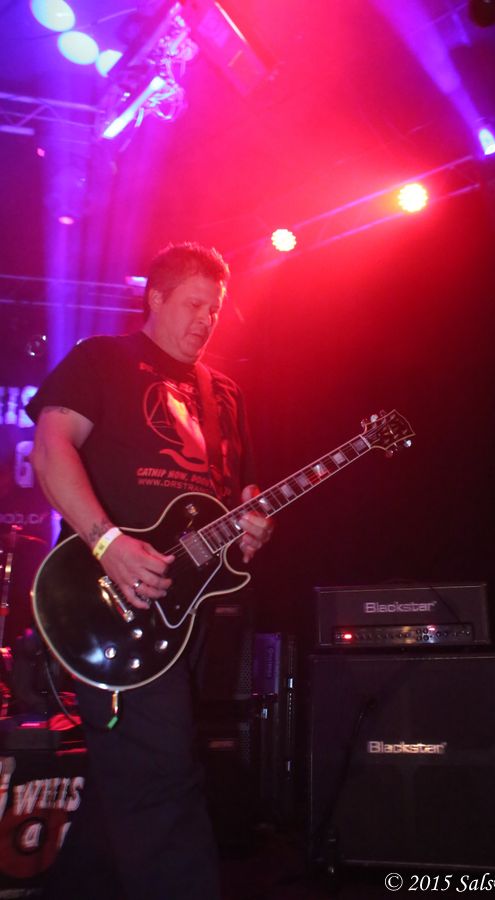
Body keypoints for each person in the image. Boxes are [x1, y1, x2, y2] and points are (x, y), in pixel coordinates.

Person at [26, 243, 273, 900]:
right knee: (163, 773)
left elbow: (240, 496)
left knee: (129, 787)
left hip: (185, 611)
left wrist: (253, 525)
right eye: (193, 304)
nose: (206, 320)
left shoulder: (225, 394)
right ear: (155, 299)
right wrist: (107, 541)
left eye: (215, 309)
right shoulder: (101, 361)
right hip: (109, 600)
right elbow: (50, 449)